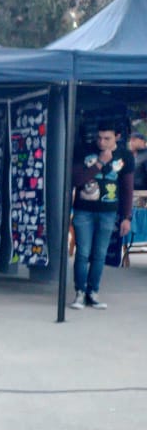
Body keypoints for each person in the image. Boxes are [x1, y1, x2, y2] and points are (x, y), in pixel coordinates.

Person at [70, 122, 135, 310]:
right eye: (99, 138)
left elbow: (127, 188)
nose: (102, 142)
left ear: (117, 137)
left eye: (107, 138)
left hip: (108, 212)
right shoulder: (85, 150)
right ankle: (80, 292)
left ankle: (93, 292)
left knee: (99, 254)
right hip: (84, 209)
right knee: (82, 252)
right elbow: (76, 180)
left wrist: (126, 216)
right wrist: (100, 162)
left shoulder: (125, 156)